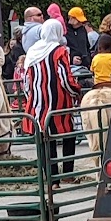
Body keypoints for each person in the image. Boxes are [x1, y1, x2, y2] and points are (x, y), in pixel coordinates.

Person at [22, 19, 82, 188]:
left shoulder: (32, 51)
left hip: (36, 104)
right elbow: (64, 78)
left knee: (44, 140)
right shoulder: (59, 51)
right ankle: (68, 174)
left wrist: (31, 99)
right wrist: (75, 91)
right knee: (68, 135)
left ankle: (52, 179)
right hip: (58, 103)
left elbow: (26, 82)